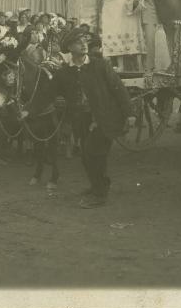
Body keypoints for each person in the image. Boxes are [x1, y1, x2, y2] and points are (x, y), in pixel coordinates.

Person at [53, 27, 131, 208]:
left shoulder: (100, 65)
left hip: (104, 118)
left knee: (92, 152)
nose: (84, 45)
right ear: (70, 48)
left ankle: (99, 194)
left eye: (85, 41)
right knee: (87, 155)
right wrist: (29, 110)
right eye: (79, 42)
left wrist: (129, 113)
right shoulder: (65, 72)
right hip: (81, 119)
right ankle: (98, 185)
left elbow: (118, 89)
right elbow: (51, 93)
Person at [0, 62, 21, 165]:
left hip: (4, 115)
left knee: (4, 134)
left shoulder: (10, 88)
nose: (13, 79)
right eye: (10, 77)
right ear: (4, 77)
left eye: (14, 77)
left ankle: (3, 154)